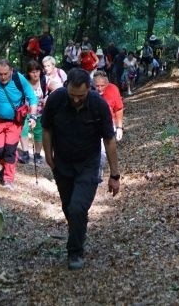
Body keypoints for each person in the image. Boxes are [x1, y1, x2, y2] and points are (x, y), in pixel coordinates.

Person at [42, 68, 121, 271]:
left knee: (78, 208)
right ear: (67, 86)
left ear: (89, 89)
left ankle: (75, 251)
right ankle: (79, 229)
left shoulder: (98, 105)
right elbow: (47, 129)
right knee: (69, 208)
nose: (77, 100)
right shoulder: (56, 100)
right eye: (73, 95)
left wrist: (115, 175)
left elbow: (109, 140)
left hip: (89, 163)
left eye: (81, 96)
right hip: (63, 162)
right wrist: (48, 155)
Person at [0, 59, 39, 188]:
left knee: (9, 150)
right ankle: (11, 162)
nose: (3, 77)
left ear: (11, 71)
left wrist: (33, 116)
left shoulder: (18, 79)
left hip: (15, 122)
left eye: (6, 74)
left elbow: (32, 98)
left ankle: (8, 178)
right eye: (0, 74)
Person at [92, 70, 124, 181]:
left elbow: (118, 108)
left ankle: (97, 174)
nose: (99, 89)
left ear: (107, 83)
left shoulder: (113, 89)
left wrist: (119, 127)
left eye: (102, 86)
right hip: (92, 124)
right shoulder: (88, 91)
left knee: (102, 152)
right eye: (97, 86)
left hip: (108, 124)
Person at [19, 60, 47, 165]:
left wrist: (48, 97)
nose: (35, 74)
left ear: (40, 71)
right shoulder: (24, 81)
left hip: (41, 112)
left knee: (39, 133)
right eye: (32, 72)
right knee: (24, 130)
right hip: (25, 111)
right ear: (28, 73)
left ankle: (37, 154)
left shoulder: (44, 80)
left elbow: (54, 89)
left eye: (37, 71)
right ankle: (25, 153)